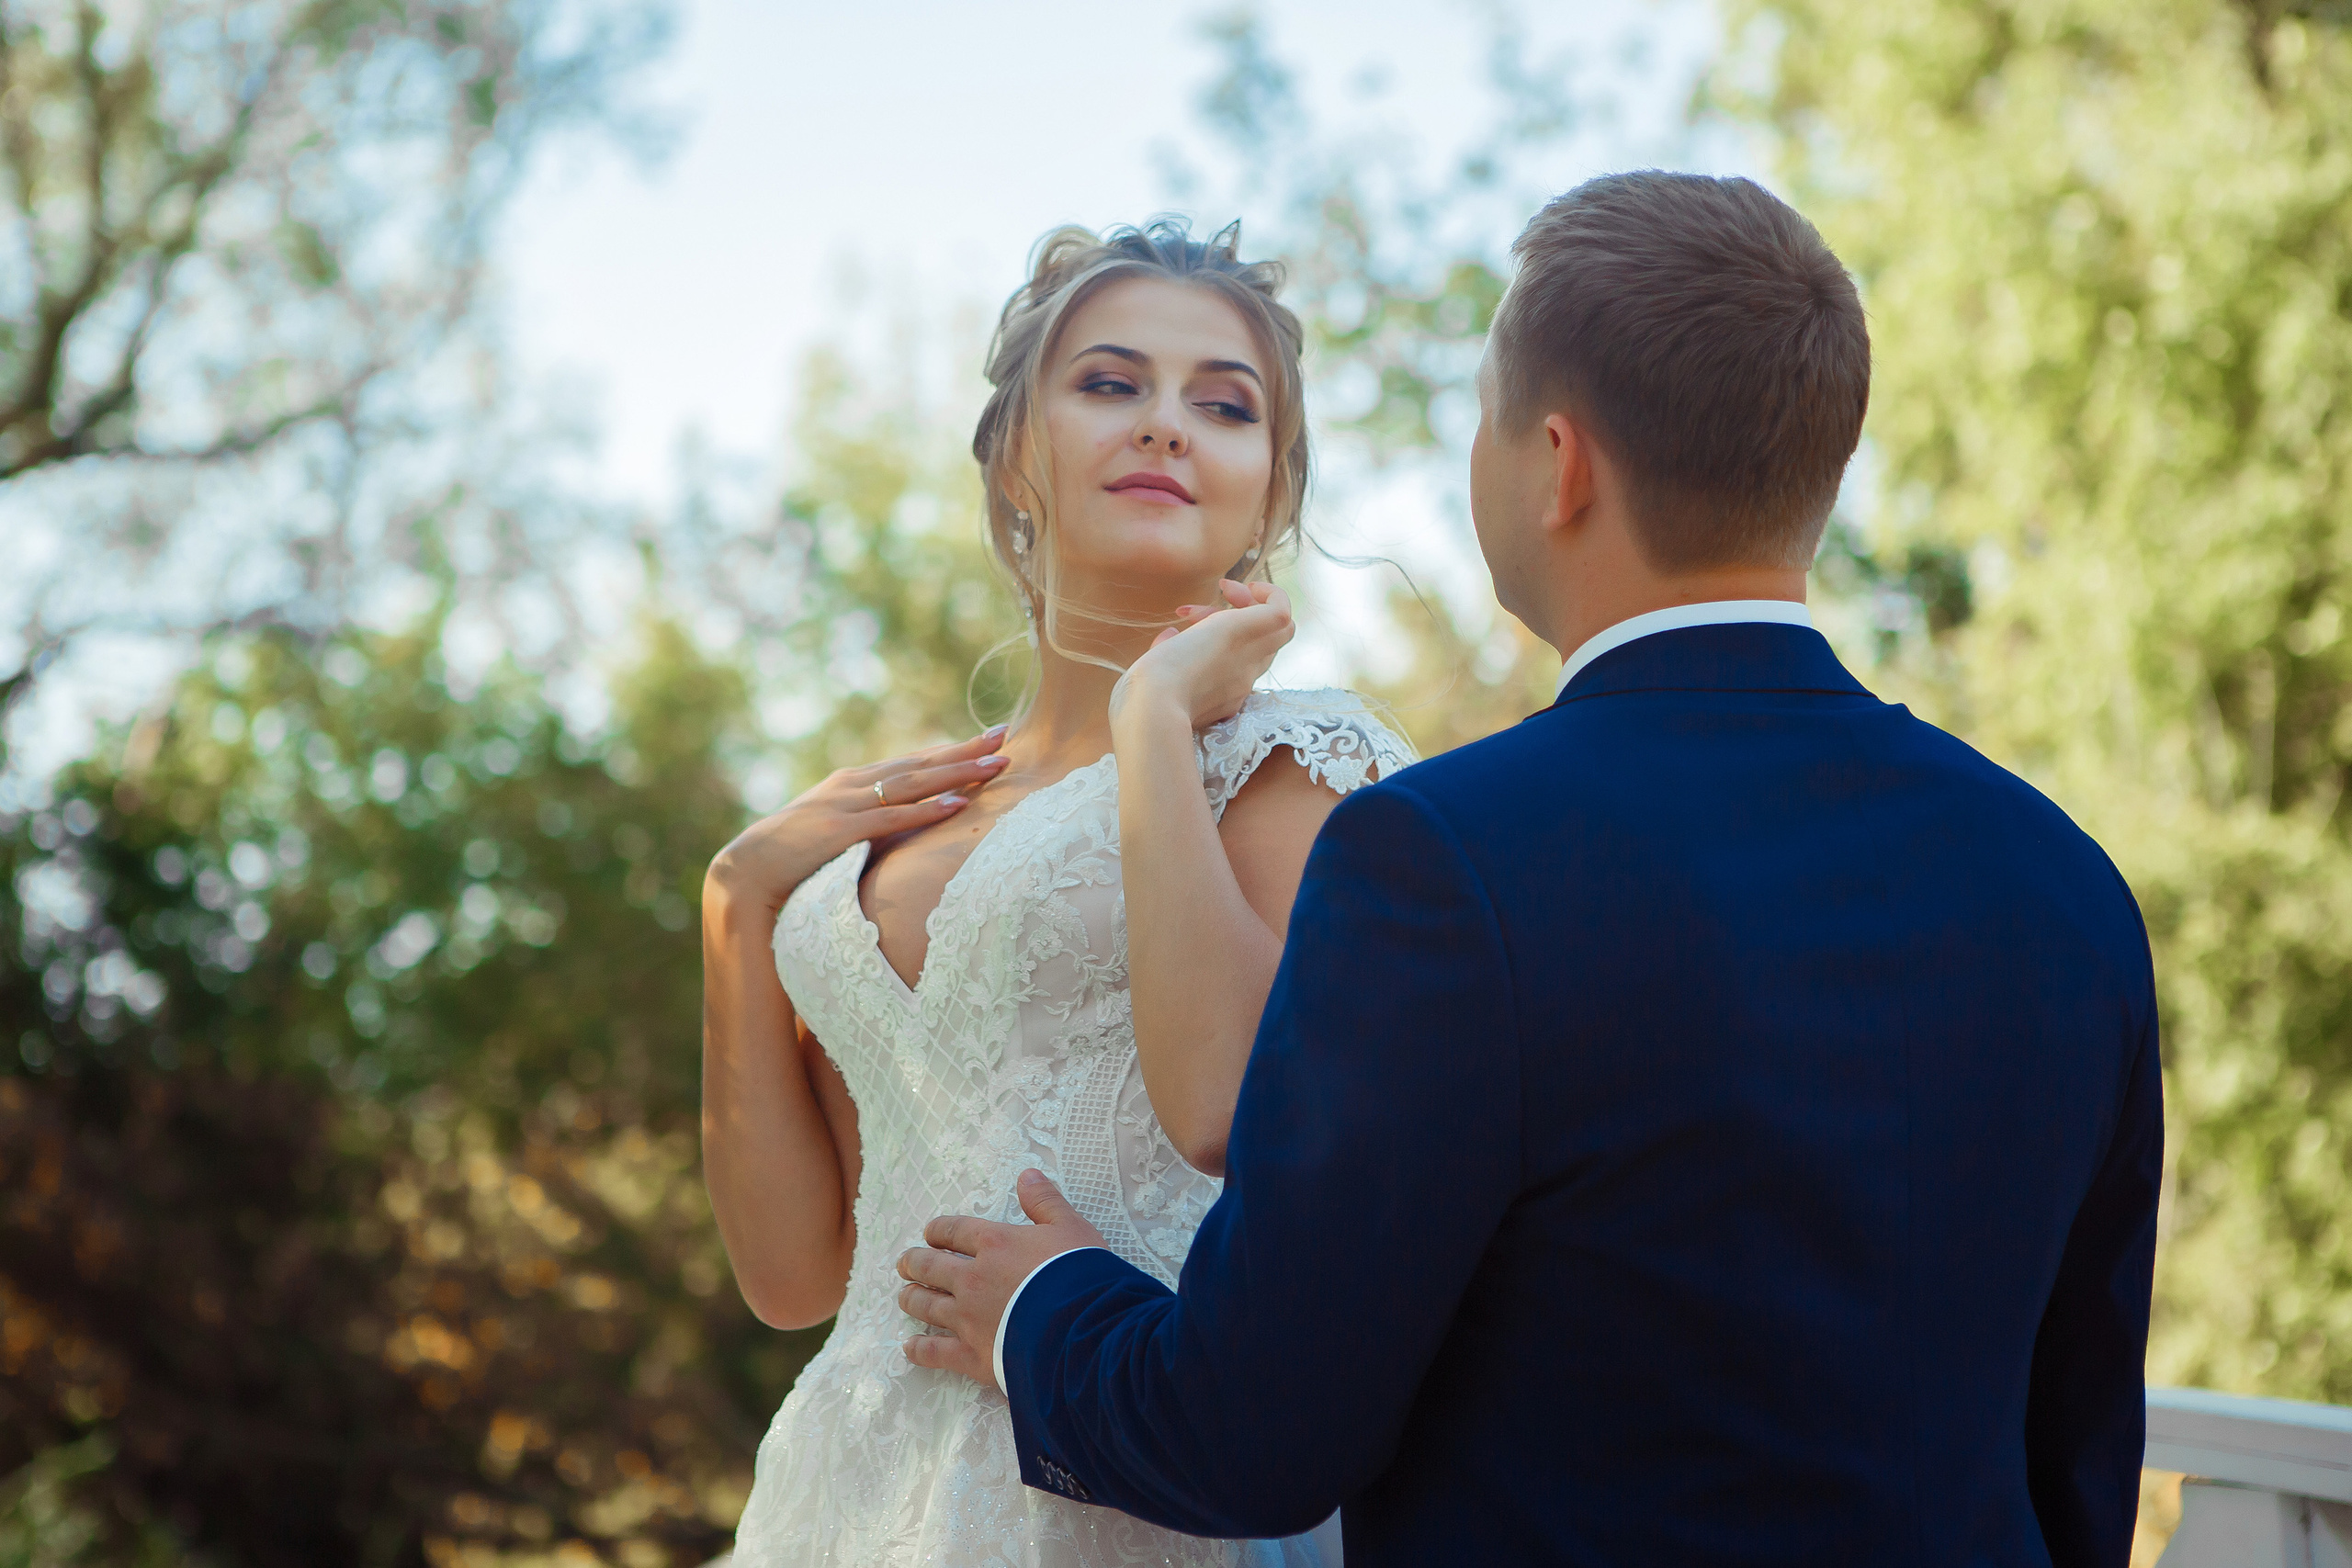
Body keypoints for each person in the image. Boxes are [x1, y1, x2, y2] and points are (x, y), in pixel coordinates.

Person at [894, 172, 2163, 1568]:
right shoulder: (2067, 885)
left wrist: (1044, 1306)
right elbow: (2080, 1455)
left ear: (1556, 465)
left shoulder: (1443, 863)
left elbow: (1252, 1433)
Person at [703, 218, 1409, 1567]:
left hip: (1117, 1484)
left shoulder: (1297, 765)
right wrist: (737, 908)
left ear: (1269, 490)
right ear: (1016, 454)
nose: (1164, 425)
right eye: (1109, 383)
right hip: (847, 1496)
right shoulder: (898, 818)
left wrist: (1155, 723)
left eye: (1224, 404)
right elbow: (793, 1278)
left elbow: (1260, 1116)